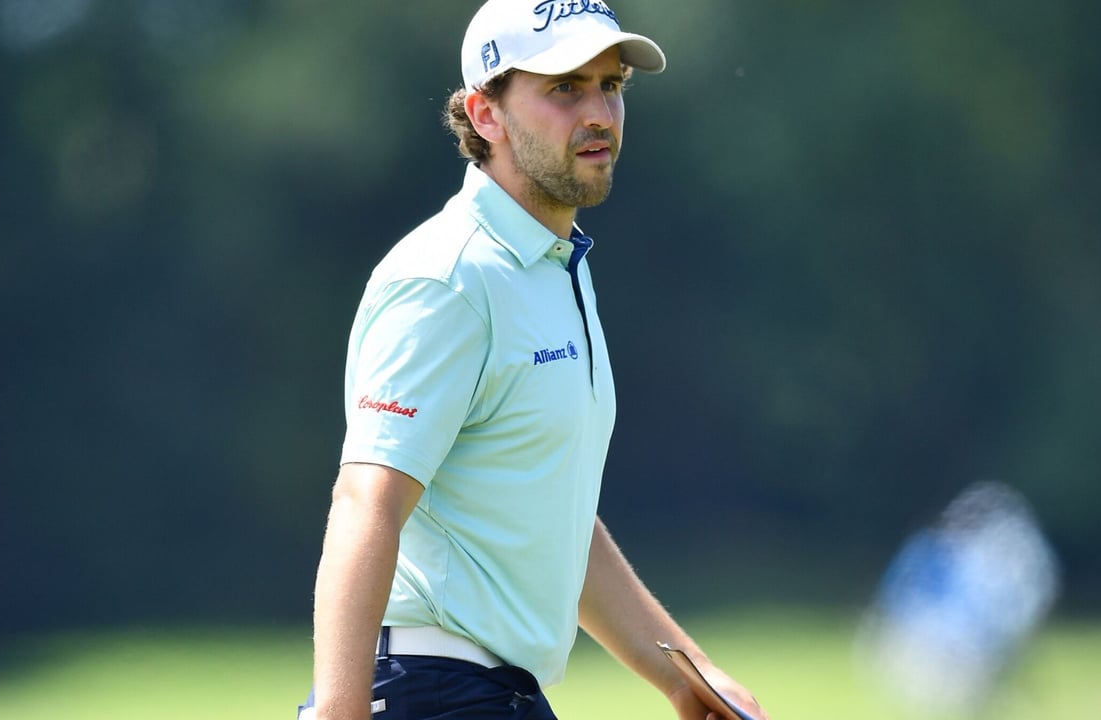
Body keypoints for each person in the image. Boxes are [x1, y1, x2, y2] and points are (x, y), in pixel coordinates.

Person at [301, 1, 767, 718]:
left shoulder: (554, 267)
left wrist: (687, 672)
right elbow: (366, 503)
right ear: (483, 114)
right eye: (563, 89)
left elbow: (551, 522)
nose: (600, 113)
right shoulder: (448, 277)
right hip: (432, 689)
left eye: (610, 85)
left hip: (495, 696)